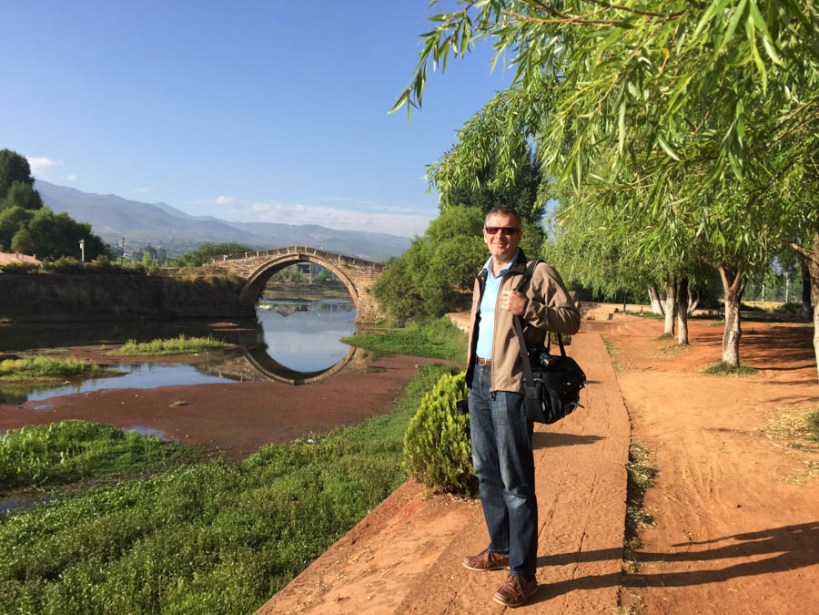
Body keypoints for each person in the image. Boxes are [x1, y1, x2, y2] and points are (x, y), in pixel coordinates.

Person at [463, 206, 580, 607]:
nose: (501, 237)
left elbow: (570, 319)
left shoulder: (536, 273)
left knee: (516, 482)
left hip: (511, 385)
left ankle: (524, 574)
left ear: (519, 234)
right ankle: (499, 547)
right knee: (486, 472)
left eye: (508, 231)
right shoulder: (483, 273)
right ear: (484, 234)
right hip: (478, 381)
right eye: (493, 230)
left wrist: (528, 308)